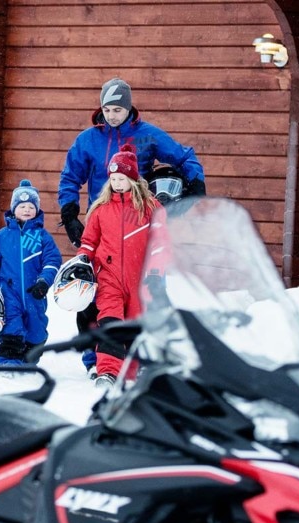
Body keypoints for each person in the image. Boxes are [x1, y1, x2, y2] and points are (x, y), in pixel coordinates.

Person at [57, 77, 205, 374]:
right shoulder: (88, 139)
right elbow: (71, 177)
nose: (112, 115)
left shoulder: (147, 136)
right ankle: (95, 359)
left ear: (128, 108)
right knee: (96, 295)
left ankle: (143, 357)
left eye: (117, 110)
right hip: (102, 224)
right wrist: (70, 212)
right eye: (107, 109)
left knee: (145, 292)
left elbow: (184, 156)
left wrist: (196, 182)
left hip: (140, 225)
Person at [77, 145, 166, 388]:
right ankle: (107, 371)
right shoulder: (101, 210)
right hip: (109, 277)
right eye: (113, 179)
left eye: (122, 178)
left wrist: (157, 272)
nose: (116, 183)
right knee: (111, 322)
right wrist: (84, 260)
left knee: (137, 324)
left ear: (133, 179)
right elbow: (88, 242)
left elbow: (161, 242)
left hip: (141, 279)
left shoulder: (150, 209)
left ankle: (135, 370)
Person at [0, 180, 63, 366]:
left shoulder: (42, 237)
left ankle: (29, 359)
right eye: (22, 206)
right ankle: (9, 361)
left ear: (37, 210)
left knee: (37, 329)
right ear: (13, 209)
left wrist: (44, 282)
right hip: (8, 291)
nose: (26, 210)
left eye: (31, 206)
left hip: (35, 293)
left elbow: (52, 261)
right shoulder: (2, 236)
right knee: (11, 326)